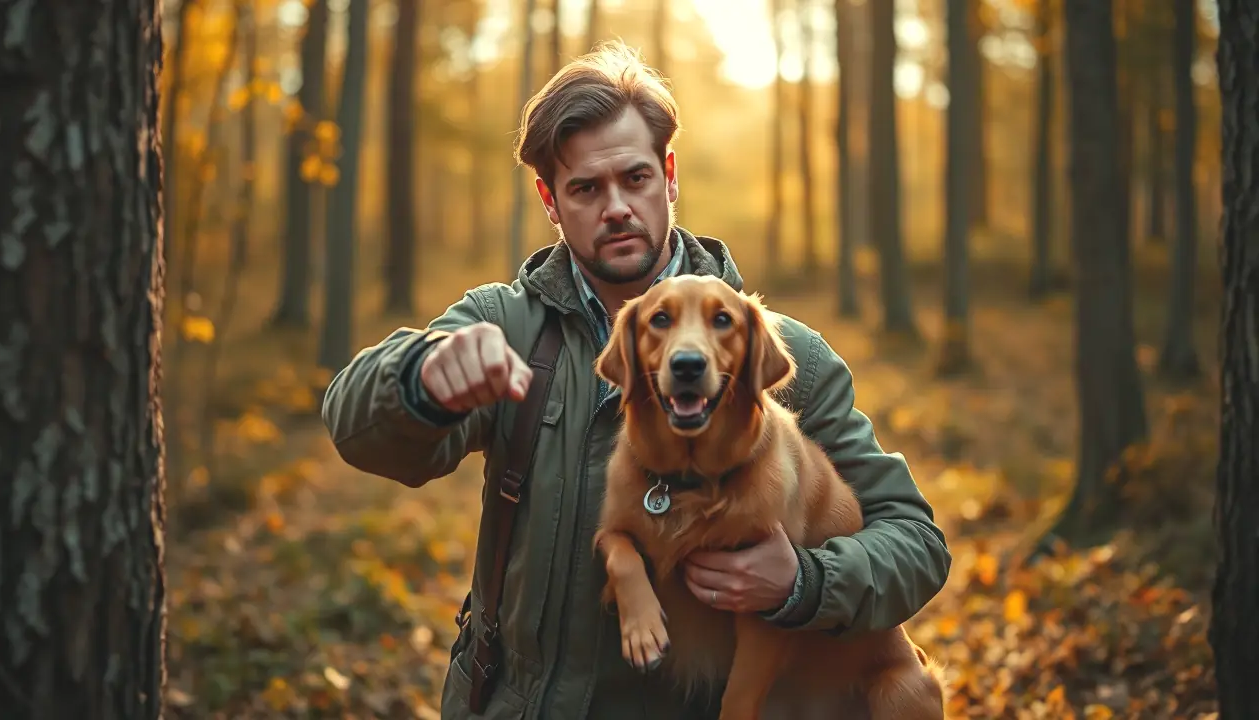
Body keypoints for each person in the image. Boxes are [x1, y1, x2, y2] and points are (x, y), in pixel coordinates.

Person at [321, 41, 951, 720]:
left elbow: (914, 542)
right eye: (586, 188)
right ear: (551, 202)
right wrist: (419, 379)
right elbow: (352, 422)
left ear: (669, 175)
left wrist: (806, 582)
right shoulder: (510, 328)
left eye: (636, 178)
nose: (616, 206)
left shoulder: (779, 356)